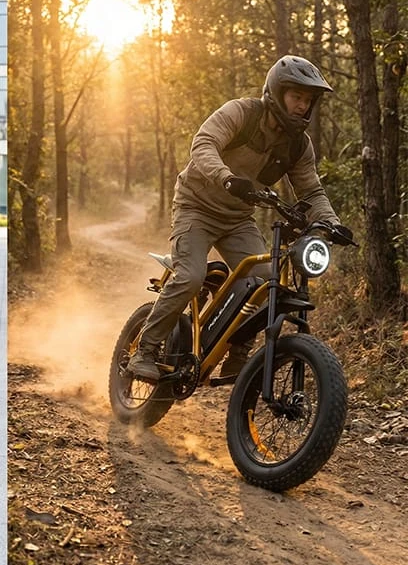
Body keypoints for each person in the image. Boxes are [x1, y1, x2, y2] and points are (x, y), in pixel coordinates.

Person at [126, 55, 348, 382]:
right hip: (195, 207)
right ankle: (145, 350)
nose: (302, 105)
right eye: (296, 97)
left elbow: (311, 191)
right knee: (190, 276)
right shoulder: (241, 113)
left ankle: (238, 354)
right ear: (277, 91)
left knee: (265, 283)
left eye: (308, 100)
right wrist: (226, 177)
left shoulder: (298, 145)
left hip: (238, 219)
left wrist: (331, 223)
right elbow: (203, 145)